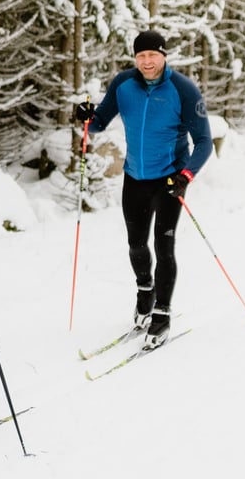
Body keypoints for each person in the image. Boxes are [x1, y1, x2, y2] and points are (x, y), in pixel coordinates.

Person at [74, 30, 213, 350]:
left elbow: (204, 141)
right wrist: (85, 116)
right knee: (136, 244)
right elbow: (98, 123)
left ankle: (162, 313)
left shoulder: (183, 89)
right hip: (134, 178)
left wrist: (186, 175)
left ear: (164, 56)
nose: (147, 61)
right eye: (141, 56)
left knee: (164, 246)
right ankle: (144, 292)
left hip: (169, 179)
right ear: (135, 58)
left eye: (153, 55)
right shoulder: (124, 84)